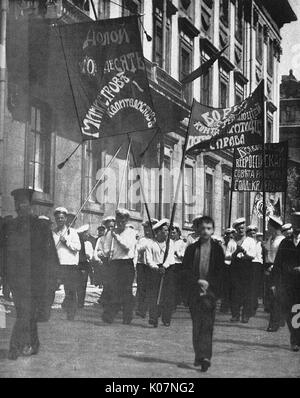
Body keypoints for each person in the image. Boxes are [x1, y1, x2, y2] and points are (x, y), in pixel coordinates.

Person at [0, 189, 58, 360]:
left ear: (30, 205)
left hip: (36, 280)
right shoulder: (10, 226)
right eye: (17, 204)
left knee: (27, 313)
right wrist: (5, 279)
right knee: (25, 313)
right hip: (17, 280)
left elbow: (51, 254)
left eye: (23, 203)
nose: (20, 207)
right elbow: (4, 254)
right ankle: (33, 344)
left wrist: (54, 277)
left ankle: (15, 347)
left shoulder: (40, 226)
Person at [181, 216, 224, 372]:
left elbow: (220, 272)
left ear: (212, 230)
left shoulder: (218, 249)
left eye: (209, 228)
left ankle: (205, 356)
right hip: (194, 291)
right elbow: (184, 270)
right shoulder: (192, 249)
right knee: (197, 324)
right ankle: (199, 354)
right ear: (197, 230)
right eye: (202, 228)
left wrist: (210, 284)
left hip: (211, 292)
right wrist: (197, 281)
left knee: (208, 324)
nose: (205, 231)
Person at [270, 212, 300, 351]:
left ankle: (296, 339)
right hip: (288, 283)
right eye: (296, 222)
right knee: (290, 311)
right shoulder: (285, 242)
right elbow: (278, 263)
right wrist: (274, 283)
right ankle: (295, 339)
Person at [102, 209, 137, 325]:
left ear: (126, 220)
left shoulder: (131, 232)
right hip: (114, 263)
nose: (120, 222)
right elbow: (105, 249)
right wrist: (108, 251)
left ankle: (127, 317)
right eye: (118, 219)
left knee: (126, 291)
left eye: (123, 220)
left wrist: (116, 237)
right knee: (113, 289)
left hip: (126, 264)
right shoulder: (110, 233)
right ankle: (110, 315)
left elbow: (127, 247)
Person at [145, 219, 176, 328]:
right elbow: (148, 259)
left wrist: (164, 266)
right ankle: (153, 317)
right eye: (164, 231)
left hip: (168, 269)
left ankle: (166, 318)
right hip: (155, 270)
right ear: (157, 232)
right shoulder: (150, 244)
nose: (166, 233)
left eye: (167, 230)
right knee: (154, 294)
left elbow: (170, 257)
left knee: (167, 295)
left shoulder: (170, 243)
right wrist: (156, 267)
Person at [52, 207, 81, 321]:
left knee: (70, 290)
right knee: (50, 288)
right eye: (58, 218)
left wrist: (66, 242)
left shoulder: (72, 232)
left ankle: (71, 314)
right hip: (57, 265)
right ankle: (46, 313)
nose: (60, 220)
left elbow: (77, 247)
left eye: (62, 218)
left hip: (70, 266)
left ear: (65, 219)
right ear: (55, 219)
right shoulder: (53, 232)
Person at [230, 218, 256, 323]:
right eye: (239, 228)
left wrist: (244, 252)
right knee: (235, 291)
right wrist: (236, 252)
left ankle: (245, 315)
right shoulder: (232, 241)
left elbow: (252, 256)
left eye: (242, 228)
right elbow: (228, 256)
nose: (241, 230)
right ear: (235, 229)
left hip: (247, 267)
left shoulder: (250, 241)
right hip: (235, 266)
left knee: (246, 291)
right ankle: (235, 314)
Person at [264, 216, 285, 332]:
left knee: (275, 297)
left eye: (269, 226)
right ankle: (278, 320)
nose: (267, 228)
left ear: (274, 227)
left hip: (278, 271)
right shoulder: (272, 239)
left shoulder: (282, 240)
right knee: (272, 297)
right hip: (270, 269)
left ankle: (274, 323)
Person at [135, 219, 157, 318]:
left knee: (151, 288)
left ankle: (150, 309)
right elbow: (138, 249)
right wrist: (146, 246)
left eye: (149, 229)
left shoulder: (156, 240)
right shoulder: (142, 240)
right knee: (141, 287)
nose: (147, 231)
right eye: (145, 229)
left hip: (152, 266)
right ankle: (141, 309)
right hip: (142, 265)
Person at [94, 216, 115, 305]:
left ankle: (108, 299)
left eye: (112, 226)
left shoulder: (116, 237)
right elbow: (97, 250)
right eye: (108, 226)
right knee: (106, 282)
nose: (110, 228)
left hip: (115, 262)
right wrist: (99, 255)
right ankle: (105, 299)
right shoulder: (101, 238)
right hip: (106, 262)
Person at [246, 225, 262, 316]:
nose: (252, 233)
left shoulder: (259, 243)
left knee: (255, 287)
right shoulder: (246, 242)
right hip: (249, 264)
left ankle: (254, 305)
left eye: (254, 232)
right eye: (250, 232)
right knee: (249, 287)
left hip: (258, 265)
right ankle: (250, 308)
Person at [220, 228, 237, 314]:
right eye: (228, 235)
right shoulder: (222, 245)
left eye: (231, 235)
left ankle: (231, 305)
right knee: (225, 287)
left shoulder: (234, 244)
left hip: (232, 266)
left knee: (232, 287)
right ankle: (224, 306)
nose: (229, 237)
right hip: (224, 266)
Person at [77, 225, 94, 308]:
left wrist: (89, 255)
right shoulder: (79, 243)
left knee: (83, 285)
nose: (87, 235)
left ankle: (81, 303)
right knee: (77, 284)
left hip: (85, 265)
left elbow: (91, 254)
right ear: (82, 235)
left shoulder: (88, 244)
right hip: (78, 265)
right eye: (86, 234)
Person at [170, 223, 187, 308]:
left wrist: (177, 253)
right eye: (171, 232)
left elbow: (183, 255)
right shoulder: (168, 242)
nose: (172, 234)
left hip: (178, 265)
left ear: (178, 233)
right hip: (170, 264)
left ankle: (177, 300)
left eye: (174, 232)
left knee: (177, 283)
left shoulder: (181, 243)